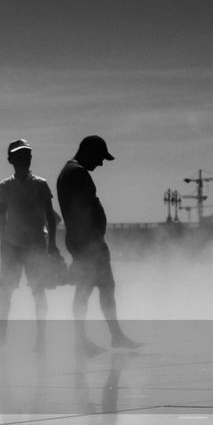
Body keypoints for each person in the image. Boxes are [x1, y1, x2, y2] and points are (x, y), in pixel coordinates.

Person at [56, 135, 140, 355]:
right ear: (88, 151)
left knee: (96, 288)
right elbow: (82, 210)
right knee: (92, 289)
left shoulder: (71, 172)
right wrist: (91, 240)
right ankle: (90, 339)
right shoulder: (77, 173)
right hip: (87, 241)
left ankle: (103, 337)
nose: (101, 163)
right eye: (100, 157)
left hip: (84, 239)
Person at [0, 139, 62, 351]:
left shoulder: (40, 184)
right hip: (13, 245)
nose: (24, 158)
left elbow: (51, 217)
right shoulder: (5, 186)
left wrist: (51, 243)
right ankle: (2, 338)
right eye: (20, 155)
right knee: (6, 291)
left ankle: (40, 338)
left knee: (38, 291)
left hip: (35, 245)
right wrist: (2, 242)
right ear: (11, 160)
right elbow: (1, 217)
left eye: (27, 155)